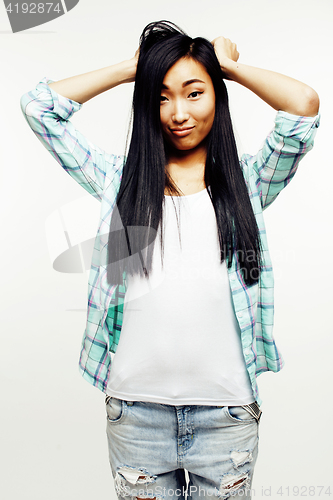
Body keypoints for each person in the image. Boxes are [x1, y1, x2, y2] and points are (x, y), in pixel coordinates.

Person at [20, 20, 319, 500]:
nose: (178, 112)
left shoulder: (250, 182)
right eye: (161, 96)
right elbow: (38, 109)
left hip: (225, 416)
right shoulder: (118, 181)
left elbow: (302, 107)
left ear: (216, 98)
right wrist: (131, 69)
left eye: (194, 93)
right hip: (136, 415)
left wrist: (230, 69)